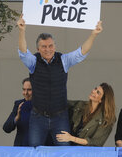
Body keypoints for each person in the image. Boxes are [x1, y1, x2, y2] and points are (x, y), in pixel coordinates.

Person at [17, 14, 103, 146]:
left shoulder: (63, 61)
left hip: (60, 117)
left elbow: (81, 52)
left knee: (63, 152)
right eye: (44, 47)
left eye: (50, 46)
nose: (48, 49)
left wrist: (94, 34)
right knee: (34, 151)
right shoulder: (33, 62)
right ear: (38, 49)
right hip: (38, 117)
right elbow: (23, 53)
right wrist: (22, 31)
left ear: (55, 46)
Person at [3, 77, 32, 146]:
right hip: (21, 148)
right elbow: (6, 128)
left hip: (36, 149)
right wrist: (17, 117)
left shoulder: (42, 106)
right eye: (24, 90)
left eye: (29, 90)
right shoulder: (18, 104)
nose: (25, 93)